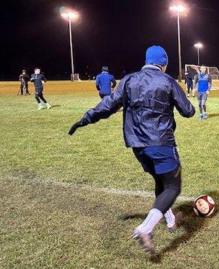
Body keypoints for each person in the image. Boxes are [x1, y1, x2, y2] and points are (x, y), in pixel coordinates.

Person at [68, 45, 195, 255]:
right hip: (160, 142)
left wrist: (85, 119)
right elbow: (188, 111)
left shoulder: (129, 79)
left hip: (137, 145)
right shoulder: (167, 81)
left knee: (160, 181)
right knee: (173, 186)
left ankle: (170, 221)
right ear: (163, 64)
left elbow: (107, 105)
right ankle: (145, 229)